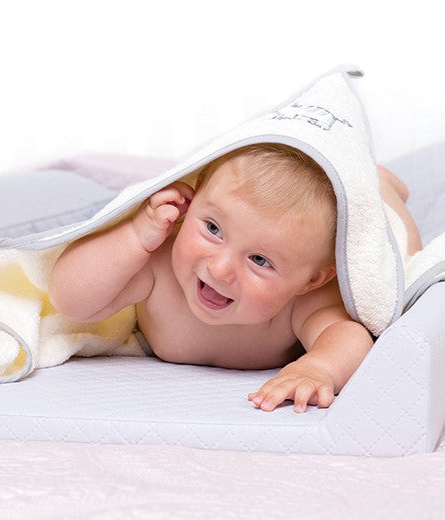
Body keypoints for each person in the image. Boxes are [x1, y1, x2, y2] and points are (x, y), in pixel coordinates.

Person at [48, 143, 422, 413]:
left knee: (401, 245)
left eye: (260, 260)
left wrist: (318, 367)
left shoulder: (300, 300)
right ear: (189, 207)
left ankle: (383, 187)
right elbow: (72, 300)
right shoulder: (160, 264)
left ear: (311, 280)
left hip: (368, 225)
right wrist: (133, 236)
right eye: (212, 228)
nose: (220, 269)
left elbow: (348, 336)